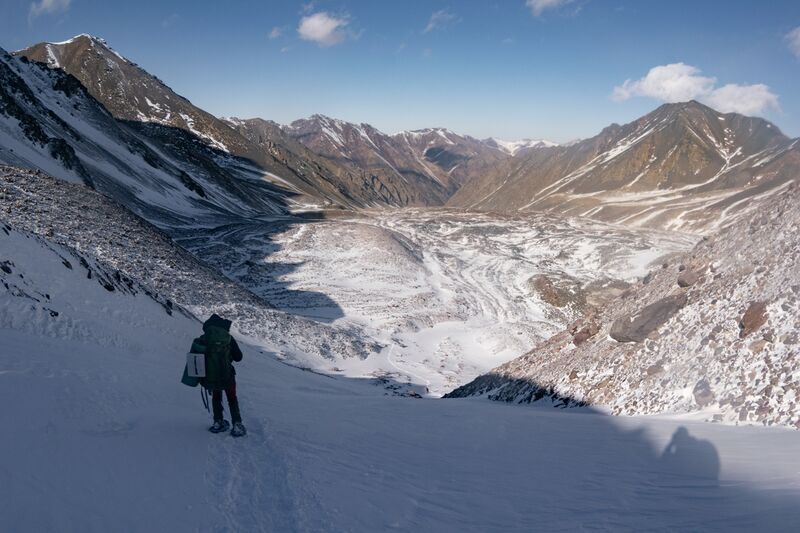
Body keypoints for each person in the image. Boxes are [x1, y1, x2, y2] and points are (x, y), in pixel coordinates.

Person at [190, 314, 247, 437]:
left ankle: (218, 422)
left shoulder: (203, 339)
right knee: (232, 398)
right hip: (228, 375)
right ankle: (237, 424)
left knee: (216, 398)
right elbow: (239, 357)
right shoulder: (228, 338)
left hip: (210, 377)